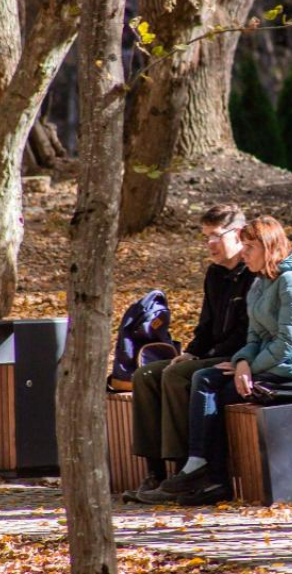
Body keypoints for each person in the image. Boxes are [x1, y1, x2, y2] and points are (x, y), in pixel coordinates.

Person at [152, 216, 292, 505]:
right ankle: (203, 468)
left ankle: (213, 476)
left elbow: (290, 343)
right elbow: (254, 336)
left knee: (220, 389)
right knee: (205, 377)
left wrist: (248, 368)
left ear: (268, 247)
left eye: (250, 247)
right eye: (243, 246)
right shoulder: (259, 284)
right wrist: (243, 361)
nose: (244, 253)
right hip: (265, 367)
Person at [126, 204, 255, 503]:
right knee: (145, 375)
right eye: (205, 236)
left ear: (237, 235)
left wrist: (204, 357)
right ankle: (154, 472)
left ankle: (185, 469)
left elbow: (247, 331)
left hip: (238, 356)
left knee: (177, 375)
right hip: (212, 352)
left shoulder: (252, 273)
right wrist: (193, 351)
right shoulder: (214, 274)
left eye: (215, 235)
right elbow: (206, 324)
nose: (209, 244)